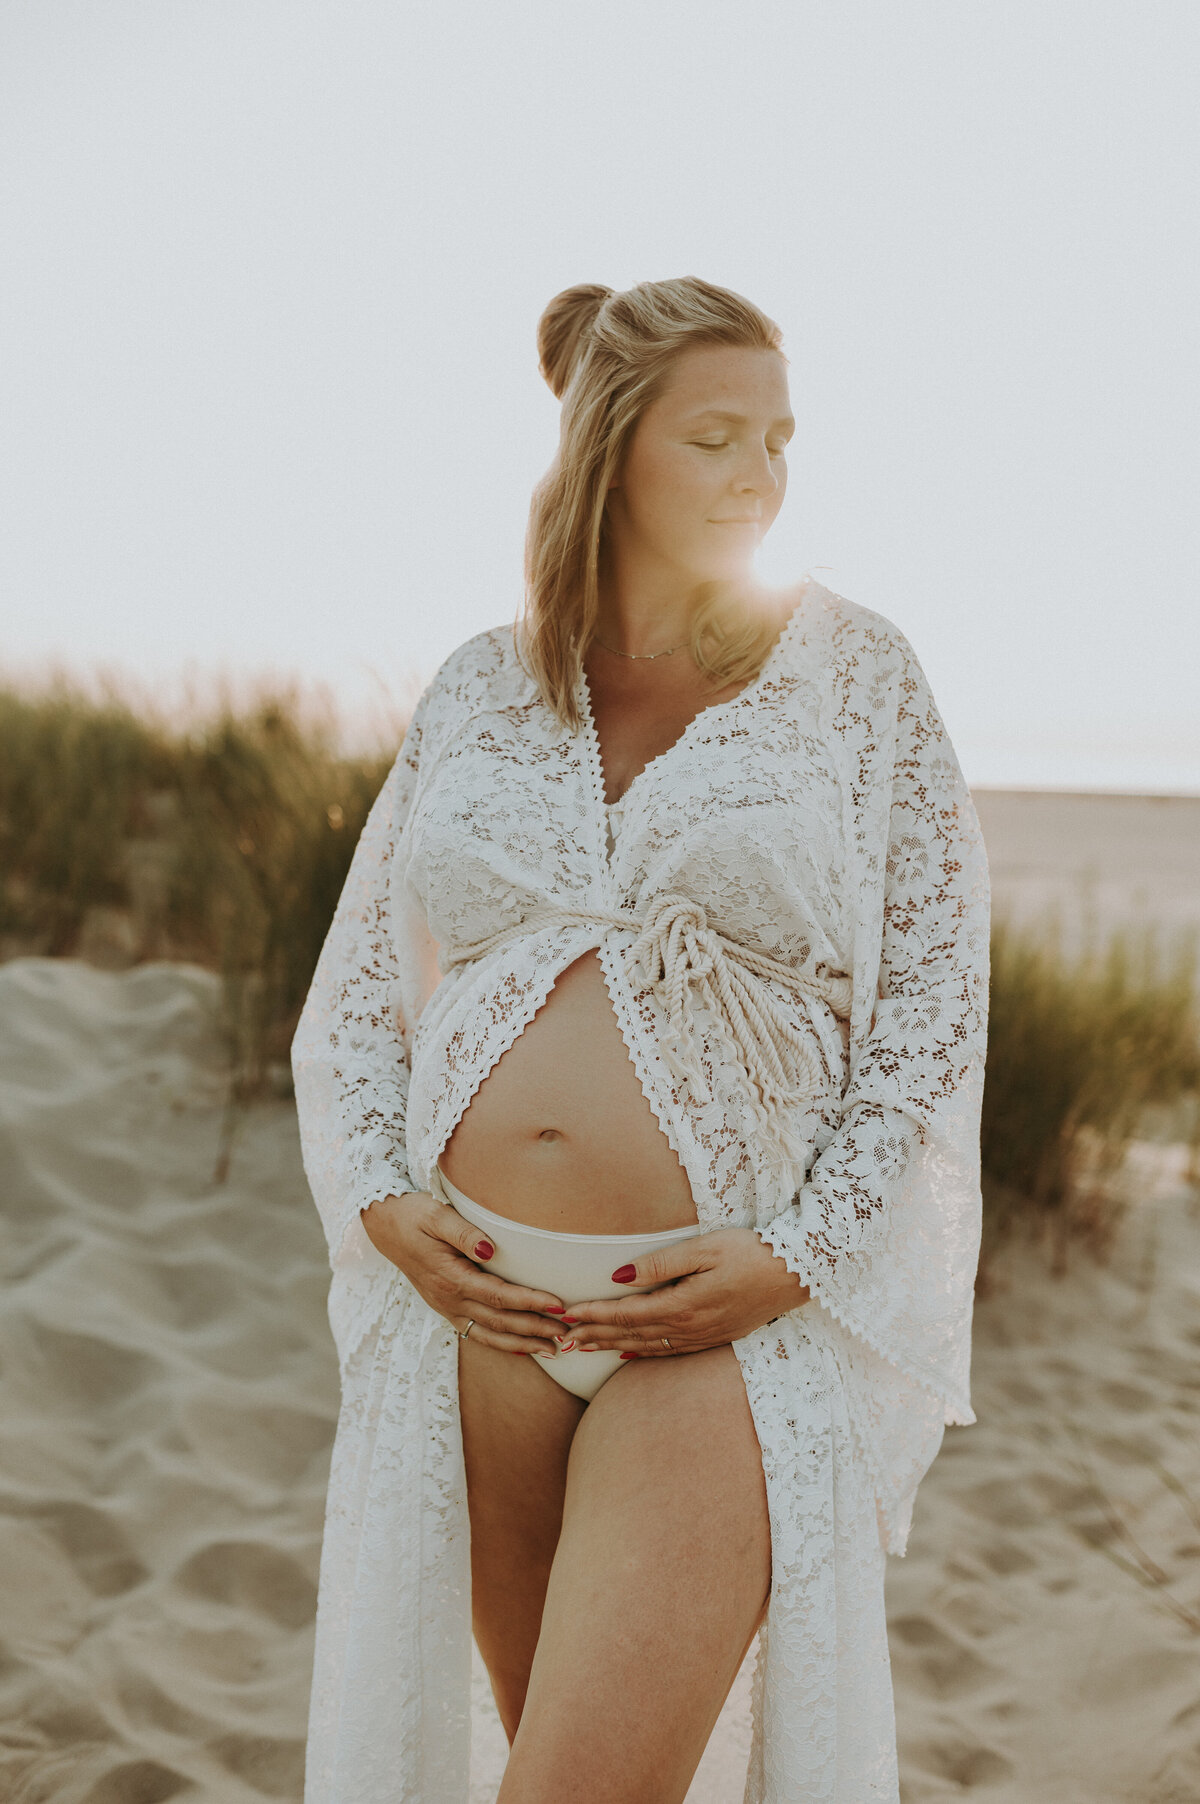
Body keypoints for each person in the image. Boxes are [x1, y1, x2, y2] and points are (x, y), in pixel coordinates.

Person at [291, 276, 992, 1804]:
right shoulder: (483, 685)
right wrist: (379, 1204)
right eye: (719, 437)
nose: (763, 477)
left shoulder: (855, 678)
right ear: (613, 449)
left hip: (712, 1322)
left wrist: (801, 1255)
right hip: (482, 1318)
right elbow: (356, 995)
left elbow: (934, 1022)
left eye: (781, 440)